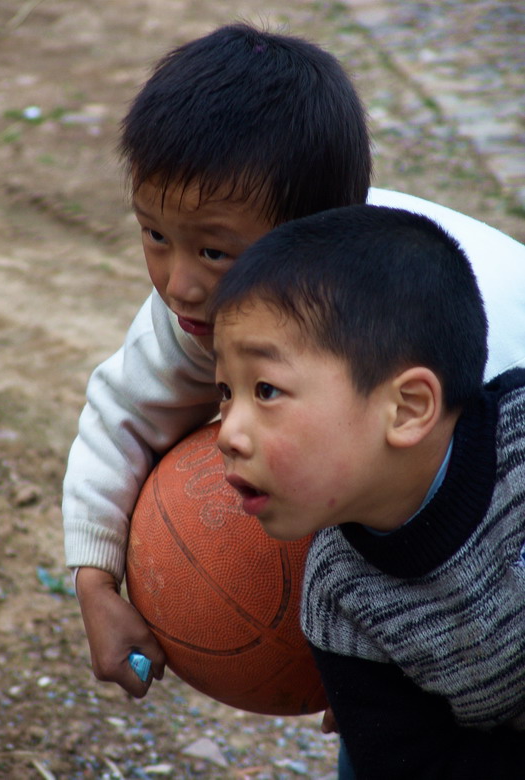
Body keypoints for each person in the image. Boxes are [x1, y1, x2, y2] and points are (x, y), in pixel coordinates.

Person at [62, 21, 525, 714]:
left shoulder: (460, 353)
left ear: (311, 233)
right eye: (154, 235)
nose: (178, 283)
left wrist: (408, 662)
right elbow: (123, 414)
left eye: (215, 252)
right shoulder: (201, 313)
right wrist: (94, 583)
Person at [211, 204, 525, 779]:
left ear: (406, 408)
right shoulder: (339, 597)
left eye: (266, 390)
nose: (227, 432)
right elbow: (414, 765)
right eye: (225, 392)